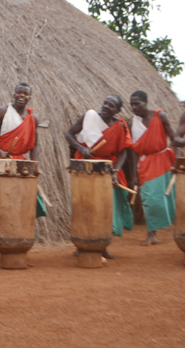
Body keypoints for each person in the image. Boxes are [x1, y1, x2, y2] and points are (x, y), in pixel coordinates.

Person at [0, 82, 45, 257]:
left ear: (30, 97)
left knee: (23, 201)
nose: (22, 96)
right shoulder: (3, 112)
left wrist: (34, 165)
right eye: (19, 92)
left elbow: (35, 145)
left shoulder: (33, 118)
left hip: (21, 164)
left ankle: (14, 240)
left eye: (26, 93)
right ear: (14, 94)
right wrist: (0, 152)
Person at [65, 95, 133, 258]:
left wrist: (115, 172)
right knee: (84, 204)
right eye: (105, 103)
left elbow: (123, 153)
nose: (106, 107)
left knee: (104, 208)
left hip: (106, 170)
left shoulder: (120, 126)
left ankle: (101, 246)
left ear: (117, 110)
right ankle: (82, 243)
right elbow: (69, 134)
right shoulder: (88, 117)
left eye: (111, 105)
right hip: (85, 167)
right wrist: (80, 148)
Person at [129, 90, 176, 246]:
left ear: (146, 102)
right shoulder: (132, 123)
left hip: (163, 161)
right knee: (148, 197)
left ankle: (153, 233)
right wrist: (135, 172)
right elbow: (135, 149)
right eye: (132, 105)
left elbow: (174, 138)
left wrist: (175, 160)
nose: (134, 107)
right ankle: (151, 234)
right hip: (145, 164)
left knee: (160, 198)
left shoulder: (160, 116)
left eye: (137, 104)